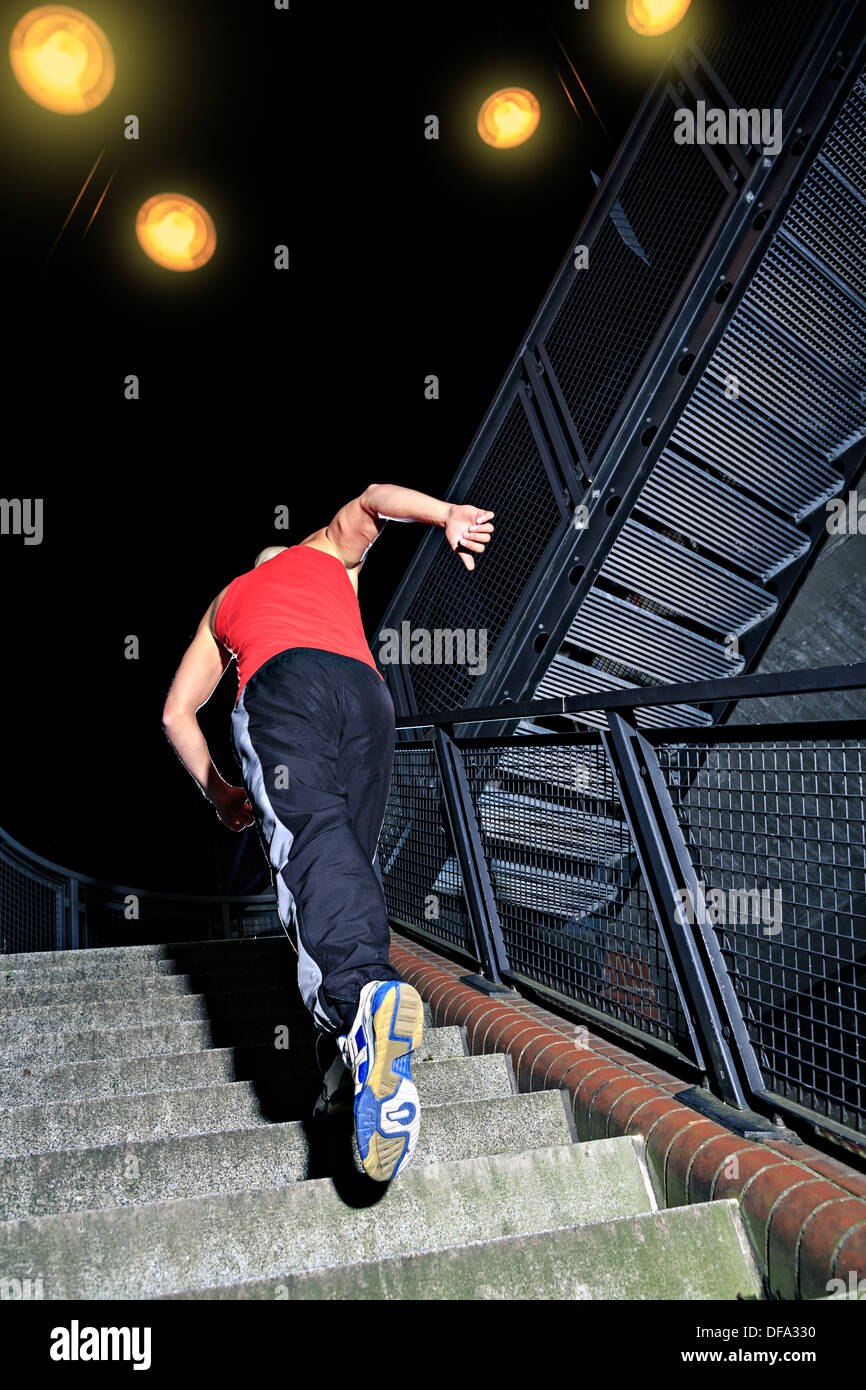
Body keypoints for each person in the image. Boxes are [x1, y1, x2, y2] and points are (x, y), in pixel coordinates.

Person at [161, 484, 495, 1181]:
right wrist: (447, 517)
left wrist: (222, 792)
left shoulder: (228, 600)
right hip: (365, 699)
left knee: (312, 850)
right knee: (344, 862)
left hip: (283, 689)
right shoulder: (329, 558)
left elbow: (175, 715)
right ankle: (346, 1066)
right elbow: (374, 499)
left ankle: (363, 999)